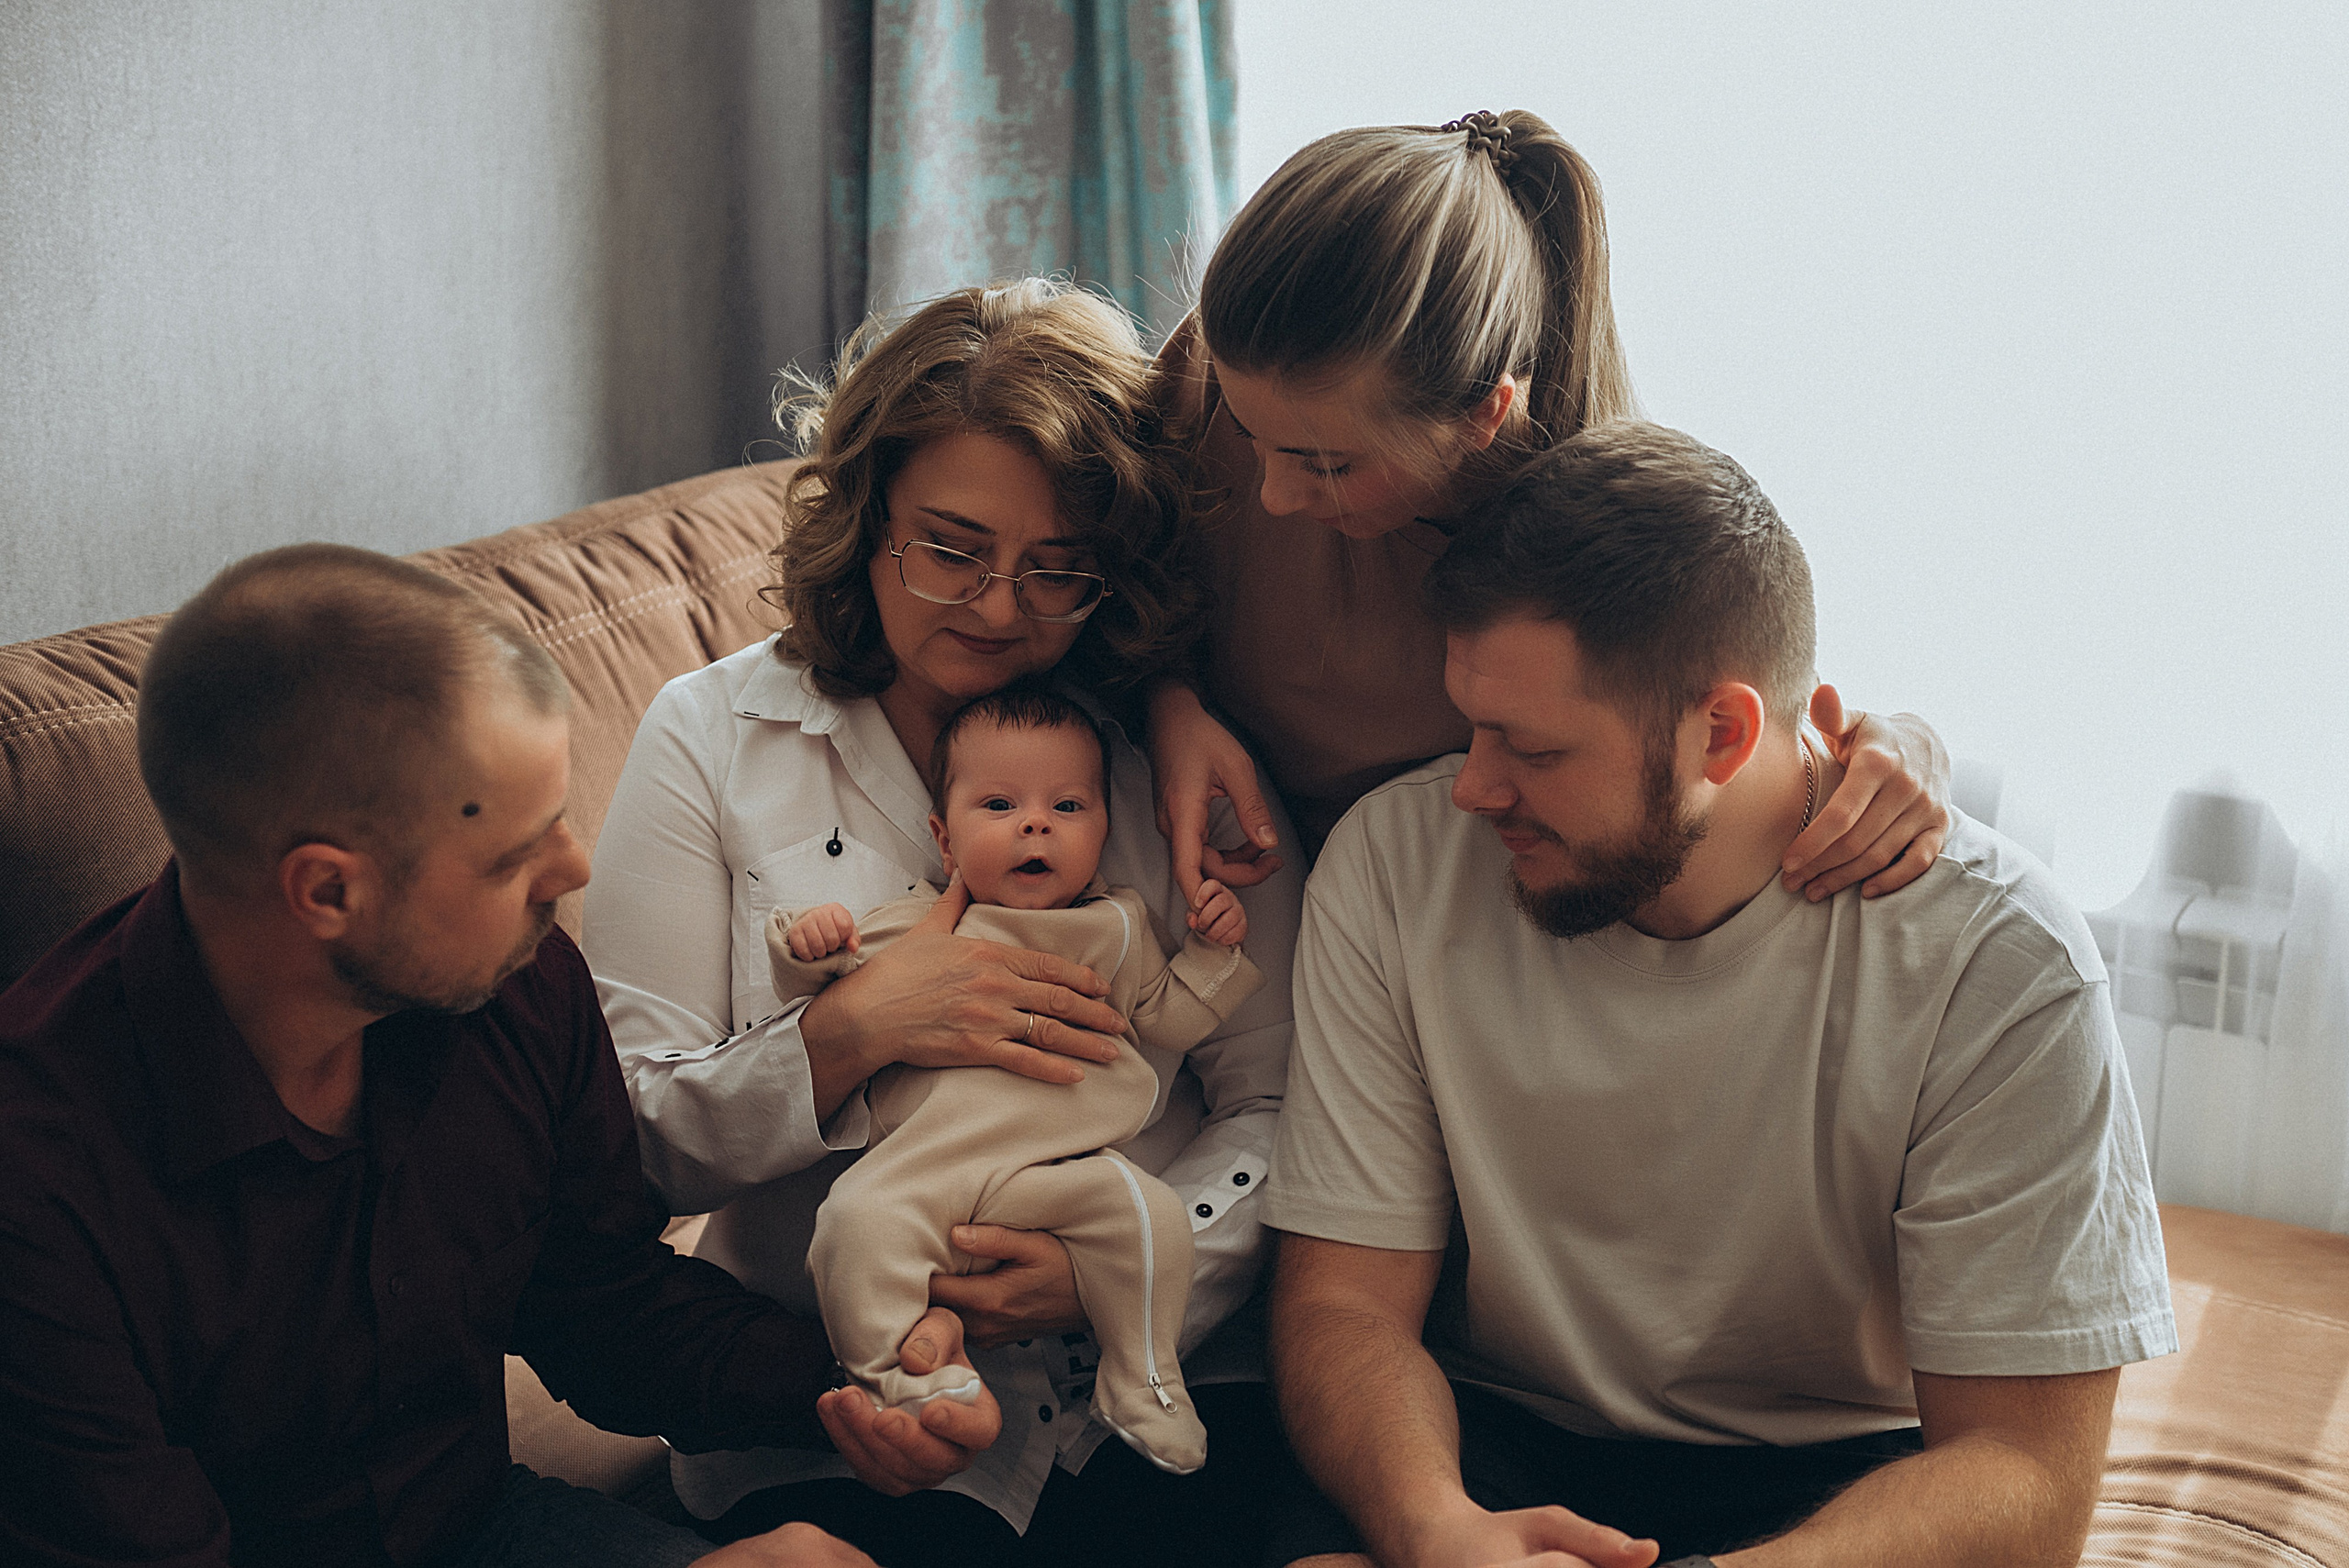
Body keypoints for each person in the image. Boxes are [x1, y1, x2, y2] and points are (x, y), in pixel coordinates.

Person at [1261, 422, 2176, 1568]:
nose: (1474, 787)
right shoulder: (1392, 865)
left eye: (1532, 748)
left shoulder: (1997, 956)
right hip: (1479, 1439)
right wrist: (1436, 1527)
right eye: (1469, 727)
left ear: (1723, 732)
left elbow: (2024, 1469)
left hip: (1839, 1474)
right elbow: (1345, 1306)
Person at [582, 281, 1304, 1566]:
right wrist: (847, 1033)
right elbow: (626, 1146)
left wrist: (1130, 1270)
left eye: (1057, 570)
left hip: (1163, 1379)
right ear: (865, 519)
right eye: (953, 547)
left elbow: (1282, 1103)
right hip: (847, 1410)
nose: (997, 608)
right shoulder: (714, 738)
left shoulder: (1163, 748)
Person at [0, 545, 900, 1567]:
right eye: (517, 853)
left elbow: (595, 1295)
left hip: (482, 1522)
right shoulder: (39, 1182)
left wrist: (855, 1388)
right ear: (329, 892)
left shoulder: (514, 983)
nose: (575, 866)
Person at [1145, 108, 1954, 901]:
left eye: (1323, 465)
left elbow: (1721, 704)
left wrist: (1907, 745)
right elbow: (1086, 583)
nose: (1273, 496)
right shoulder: (1224, 368)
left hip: (1426, 912)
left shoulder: (1586, 538)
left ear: (1483, 417)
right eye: (1247, 432)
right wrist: (1165, 703)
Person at [777, 684, 1264, 1477]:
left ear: (1104, 831)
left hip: (1061, 1172)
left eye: (1068, 806)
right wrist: (812, 940)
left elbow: (1166, 1021)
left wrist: (1210, 956)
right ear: (945, 838)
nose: (1036, 823)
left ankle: (1142, 1377)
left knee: (1153, 1216)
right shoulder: (924, 924)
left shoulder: (1116, 927)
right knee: (851, 1227)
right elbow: (832, 983)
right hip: (925, 1170)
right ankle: (915, 1383)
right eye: (1000, 803)